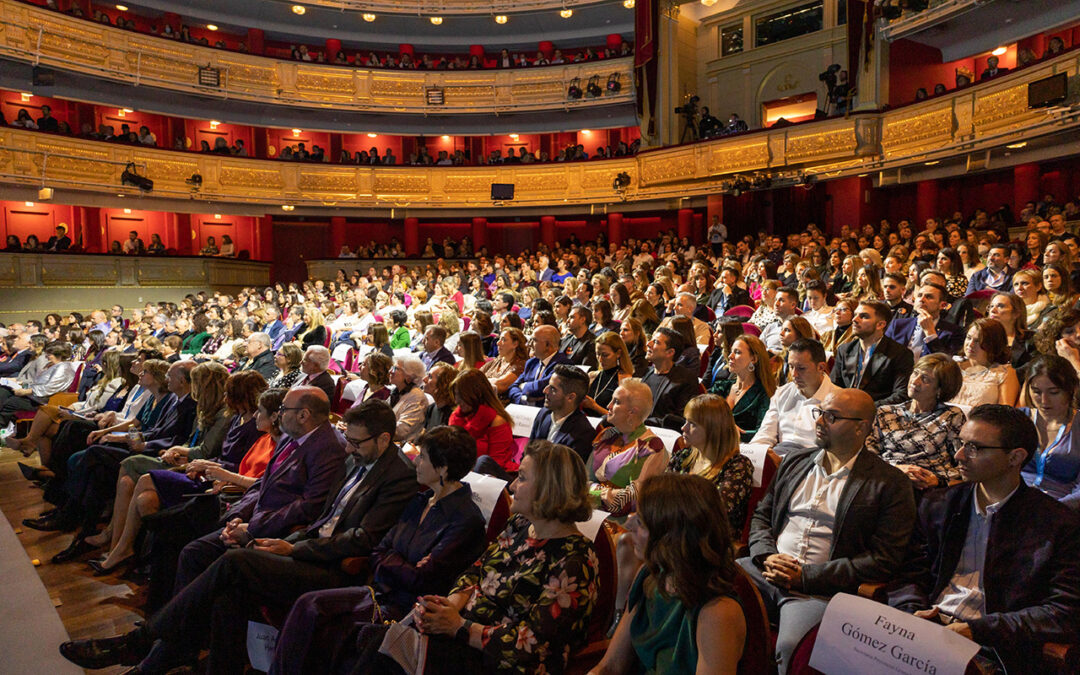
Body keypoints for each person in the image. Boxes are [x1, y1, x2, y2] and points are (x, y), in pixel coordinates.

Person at [60, 398, 417, 674]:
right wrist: (286, 543)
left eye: (356, 442)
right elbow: (324, 517)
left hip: (333, 567)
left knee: (233, 560)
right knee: (226, 594)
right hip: (305, 546)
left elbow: (361, 539)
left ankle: (142, 642)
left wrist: (293, 547)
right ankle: (170, 656)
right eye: (349, 440)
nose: (349, 448)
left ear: (384, 438)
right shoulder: (358, 459)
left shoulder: (397, 475)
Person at [269, 425, 487, 674]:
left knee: (323, 621)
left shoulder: (466, 520)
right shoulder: (420, 501)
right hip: (379, 593)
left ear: (443, 468)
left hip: (408, 610)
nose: (416, 462)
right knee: (308, 605)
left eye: (423, 457)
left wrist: (391, 558)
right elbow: (378, 550)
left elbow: (422, 579)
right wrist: (399, 560)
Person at [887, 404, 1080, 675]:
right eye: (961, 443)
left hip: (992, 647)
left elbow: (1063, 611)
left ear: (1015, 458)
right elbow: (908, 575)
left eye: (974, 448)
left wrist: (976, 629)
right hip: (925, 630)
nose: (959, 455)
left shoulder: (1056, 524)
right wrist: (911, 615)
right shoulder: (940, 504)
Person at [739, 388, 916, 675]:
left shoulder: (889, 482)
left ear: (861, 427)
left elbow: (884, 559)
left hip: (819, 590)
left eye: (831, 416)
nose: (819, 421)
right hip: (764, 571)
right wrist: (766, 556)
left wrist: (807, 577)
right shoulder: (795, 462)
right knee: (702, 594)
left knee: (791, 646)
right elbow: (762, 516)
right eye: (819, 412)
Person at [595, 474, 746, 675]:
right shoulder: (650, 576)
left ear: (671, 536)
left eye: (640, 522)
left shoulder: (718, 614)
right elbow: (610, 666)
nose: (629, 526)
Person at [867, 354, 965, 490]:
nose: (915, 381)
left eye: (925, 379)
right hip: (886, 480)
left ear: (940, 389)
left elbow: (965, 463)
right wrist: (897, 470)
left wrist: (938, 480)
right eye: (915, 373)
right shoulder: (886, 412)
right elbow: (868, 453)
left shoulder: (951, 416)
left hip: (928, 488)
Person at [587, 378, 667, 516]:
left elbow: (632, 499)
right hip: (590, 512)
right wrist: (601, 492)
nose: (608, 405)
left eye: (616, 402)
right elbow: (583, 482)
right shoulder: (607, 435)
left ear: (632, 412)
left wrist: (593, 490)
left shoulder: (651, 447)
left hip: (623, 525)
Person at [750, 338, 839, 456]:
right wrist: (752, 455)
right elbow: (765, 435)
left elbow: (834, 451)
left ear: (821, 367)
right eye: (791, 367)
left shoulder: (838, 400)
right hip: (779, 456)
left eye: (801, 368)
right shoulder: (782, 393)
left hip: (812, 461)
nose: (794, 374)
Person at [1017, 355, 1080, 504]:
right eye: (1037, 392)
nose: (1044, 401)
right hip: (1015, 503)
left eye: (1054, 392)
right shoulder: (1019, 420)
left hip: (1062, 507)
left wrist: (1055, 510)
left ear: (1071, 389)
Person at [831, 300, 914, 405]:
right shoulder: (844, 349)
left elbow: (901, 395)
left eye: (864, 316)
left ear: (880, 324)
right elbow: (834, 387)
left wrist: (865, 408)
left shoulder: (900, 353)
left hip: (877, 414)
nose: (854, 319)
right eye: (855, 315)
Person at [449, 367, 516, 476]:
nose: (457, 401)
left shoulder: (497, 421)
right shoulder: (456, 417)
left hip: (489, 476)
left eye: (461, 396)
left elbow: (494, 463)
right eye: (456, 395)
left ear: (477, 394)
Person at [710, 334, 775, 442]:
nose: (730, 356)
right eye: (731, 351)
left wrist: (730, 432)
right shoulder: (721, 387)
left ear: (753, 359)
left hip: (744, 449)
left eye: (737, 352)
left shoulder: (764, 393)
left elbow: (763, 432)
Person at [529, 364, 596, 464]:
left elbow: (566, 475)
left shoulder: (583, 433)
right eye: (548, 385)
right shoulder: (543, 414)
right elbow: (528, 454)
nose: (545, 391)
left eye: (553, 389)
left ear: (571, 397)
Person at [885, 282, 963, 360]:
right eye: (919, 295)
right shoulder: (898, 325)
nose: (922, 300)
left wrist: (930, 334)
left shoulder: (954, 331)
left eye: (929, 297)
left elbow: (946, 363)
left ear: (942, 305)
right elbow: (881, 355)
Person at [640, 327, 699, 430]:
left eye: (656, 342)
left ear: (670, 352)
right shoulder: (647, 373)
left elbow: (681, 419)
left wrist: (643, 422)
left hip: (665, 435)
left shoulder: (685, 379)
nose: (648, 344)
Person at [952, 319, 1020, 408]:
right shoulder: (953, 365)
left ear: (992, 344)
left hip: (981, 420)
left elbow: (1004, 412)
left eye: (978, 341)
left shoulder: (1005, 372)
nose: (970, 344)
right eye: (969, 338)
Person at [507, 324, 569, 406]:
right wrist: (523, 399)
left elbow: (541, 388)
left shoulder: (563, 364)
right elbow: (512, 387)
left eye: (534, 340)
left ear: (547, 345)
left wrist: (523, 385)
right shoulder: (531, 363)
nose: (528, 344)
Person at [987, 292, 1037, 371]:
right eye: (991, 306)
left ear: (1016, 313)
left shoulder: (1031, 338)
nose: (993, 310)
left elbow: (1034, 368)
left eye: (1000, 306)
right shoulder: (982, 336)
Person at [389, 354, 428, 444]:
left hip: (402, 448)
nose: (390, 371)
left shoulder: (416, 397)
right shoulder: (396, 391)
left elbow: (401, 431)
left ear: (409, 377)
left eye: (396, 368)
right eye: (392, 367)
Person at [479, 327, 527, 398]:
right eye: (499, 339)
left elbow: (500, 385)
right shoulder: (497, 360)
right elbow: (476, 376)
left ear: (515, 344)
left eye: (503, 340)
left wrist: (479, 381)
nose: (498, 343)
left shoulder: (520, 364)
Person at [421, 361, 458, 430]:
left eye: (430, 377)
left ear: (443, 384)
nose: (424, 379)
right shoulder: (431, 408)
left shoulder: (452, 414)